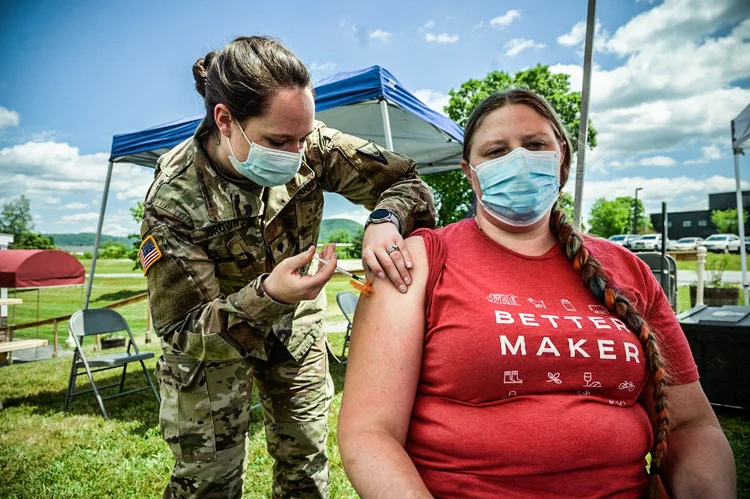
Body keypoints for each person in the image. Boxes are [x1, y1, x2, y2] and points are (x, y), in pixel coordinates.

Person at [338, 89, 736, 498]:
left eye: (534, 145)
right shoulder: (414, 262)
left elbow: (691, 425)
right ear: (468, 172)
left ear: (561, 157)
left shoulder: (626, 268)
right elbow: (370, 434)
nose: (518, 161)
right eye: (496, 151)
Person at [140, 35, 435, 499]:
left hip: (294, 333)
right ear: (225, 120)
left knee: (305, 469)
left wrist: (384, 218)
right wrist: (270, 295)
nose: (298, 152)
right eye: (279, 141)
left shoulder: (310, 142)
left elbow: (406, 181)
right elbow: (181, 328)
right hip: (211, 354)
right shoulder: (174, 198)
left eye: (303, 137)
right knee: (207, 482)